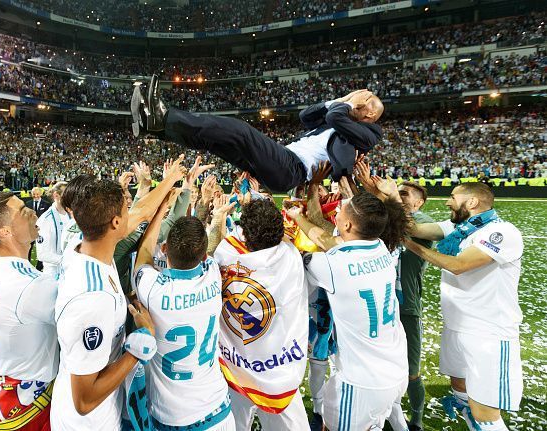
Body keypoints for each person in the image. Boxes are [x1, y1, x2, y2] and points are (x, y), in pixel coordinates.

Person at [131, 76, 383, 193]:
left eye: (366, 101)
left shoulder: (369, 133)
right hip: (284, 159)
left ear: (370, 116)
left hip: (291, 169)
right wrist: (338, 100)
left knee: (240, 131)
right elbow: (306, 116)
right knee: (219, 142)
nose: (360, 100)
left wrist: (348, 103)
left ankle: (163, 117)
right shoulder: (339, 117)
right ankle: (157, 128)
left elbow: (334, 118)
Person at [406, 183, 523, 431]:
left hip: (488, 333)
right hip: (456, 326)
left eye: (452, 197)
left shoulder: (501, 232)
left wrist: (410, 245)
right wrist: (383, 194)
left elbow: (458, 265)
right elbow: (412, 227)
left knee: (485, 413)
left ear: (471, 203)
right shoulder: (458, 228)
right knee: (461, 392)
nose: (447, 202)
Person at [288, 192, 409, 431]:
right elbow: (327, 240)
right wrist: (298, 217)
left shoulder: (332, 265)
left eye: (339, 211)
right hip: (394, 370)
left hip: (360, 382)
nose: (335, 213)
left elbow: (301, 257)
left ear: (347, 224)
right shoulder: (381, 247)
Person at [51, 178, 162, 431]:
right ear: (115, 222)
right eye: (126, 209)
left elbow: (142, 211)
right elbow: (84, 400)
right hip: (88, 423)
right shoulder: (92, 300)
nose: (130, 213)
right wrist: (141, 344)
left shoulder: (82, 248)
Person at [210, 198, 310, 431]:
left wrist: (218, 218)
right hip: (280, 369)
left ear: (244, 232)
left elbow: (210, 250)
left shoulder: (224, 254)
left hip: (234, 368)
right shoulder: (292, 257)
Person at [133, 210, 234, 430]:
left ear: (165, 248)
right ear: (204, 257)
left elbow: (143, 255)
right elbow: (211, 246)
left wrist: (159, 212)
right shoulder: (213, 274)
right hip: (218, 410)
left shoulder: (152, 291)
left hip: (173, 416)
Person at [0, 192, 58, 430]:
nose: (31, 211)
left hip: (2, 380)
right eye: (22, 211)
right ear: (5, 232)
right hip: (30, 397)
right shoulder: (31, 285)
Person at [395, 182, 434, 431]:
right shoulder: (390, 220)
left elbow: (410, 228)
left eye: (404, 194)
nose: (397, 196)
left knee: (411, 371)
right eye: (396, 192)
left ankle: (417, 421)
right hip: (383, 307)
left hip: (407, 307)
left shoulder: (424, 223)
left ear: (418, 203)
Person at [36, 182, 69, 276]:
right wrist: (68, 260)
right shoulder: (45, 220)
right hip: (54, 273)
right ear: (56, 195)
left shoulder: (69, 215)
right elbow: (42, 254)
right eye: (67, 194)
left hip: (69, 270)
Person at [26, 187, 51, 269]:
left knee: (42, 248)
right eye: (34, 194)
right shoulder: (27, 204)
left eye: (37, 194)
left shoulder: (47, 204)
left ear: (41, 194)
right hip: (30, 230)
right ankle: (28, 265)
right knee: (28, 248)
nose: (35, 196)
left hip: (42, 231)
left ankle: (39, 267)